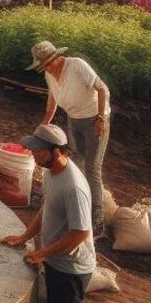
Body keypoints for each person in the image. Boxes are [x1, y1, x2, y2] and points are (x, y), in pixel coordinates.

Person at [0, 124, 95, 303]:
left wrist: (42, 253)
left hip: (71, 269)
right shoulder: (50, 172)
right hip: (55, 261)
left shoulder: (74, 187)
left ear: (57, 151)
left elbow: (79, 233)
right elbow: (47, 208)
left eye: (38, 150)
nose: (33, 154)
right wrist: (24, 237)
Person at [28, 41, 111, 237]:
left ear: (57, 56)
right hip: (74, 119)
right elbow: (52, 103)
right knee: (76, 163)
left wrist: (101, 118)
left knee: (92, 167)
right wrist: (43, 126)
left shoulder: (77, 65)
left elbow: (102, 89)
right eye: (44, 66)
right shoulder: (49, 75)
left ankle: (97, 221)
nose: (48, 68)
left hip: (94, 119)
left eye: (49, 62)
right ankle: (77, 206)